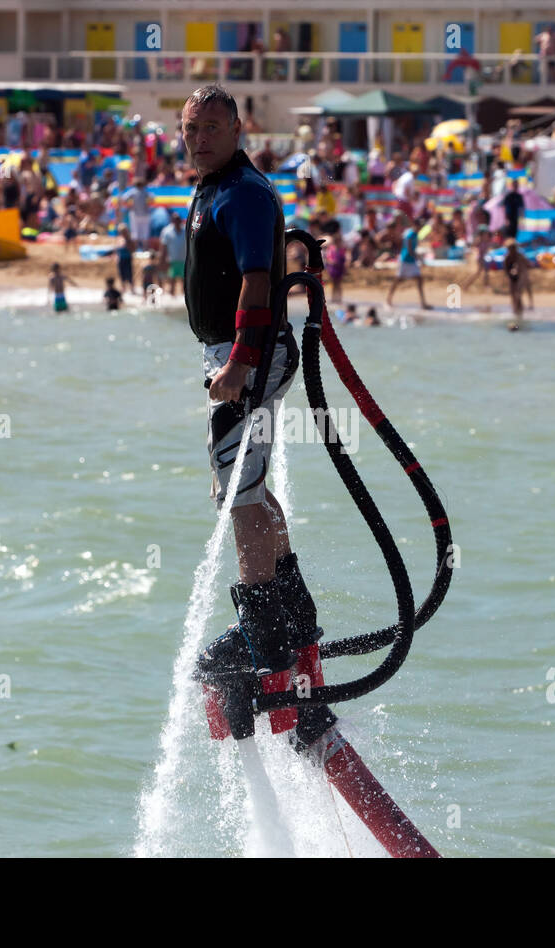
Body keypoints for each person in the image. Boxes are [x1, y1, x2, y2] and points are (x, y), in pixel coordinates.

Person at [180, 84, 318, 678]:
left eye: (213, 127)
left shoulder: (242, 193)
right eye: (191, 129)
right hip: (238, 358)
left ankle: (262, 641)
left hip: (250, 359)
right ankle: (293, 615)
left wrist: (238, 363)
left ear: (239, 131)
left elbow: (257, 283)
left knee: (239, 497)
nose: (200, 139)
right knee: (246, 489)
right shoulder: (213, 189)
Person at [385, 216, 429, 309]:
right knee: (398, 280)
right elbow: (409, 250)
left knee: (419, 280)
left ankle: (423, 303)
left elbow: (413, 249)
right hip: (405, 260)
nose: (420, 227)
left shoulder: (415, 234)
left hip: (411, 261)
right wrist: (420, 259)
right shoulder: (409, 235)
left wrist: (418, 258)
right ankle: (388, 299)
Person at [159, 211, 186, 297]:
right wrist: (162, 260)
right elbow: (163, 246)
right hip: (172, 260)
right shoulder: (167, 231)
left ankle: (183, 298)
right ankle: (172, 297)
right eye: (175, 219)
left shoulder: (185, 230)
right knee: (172, 281)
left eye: (178, 219)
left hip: (184, 260)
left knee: (184, 281)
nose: (177, 221)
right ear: (172, 220)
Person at [502, 238, 526, 320]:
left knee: (519, 294)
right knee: (513, 294)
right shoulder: (507, 258)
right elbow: (506, 270)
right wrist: (510, 275)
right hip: (511, 276)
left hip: (520, 276)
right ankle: (515, 310)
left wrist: (516, 272)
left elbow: (521, 268)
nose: (511, 251)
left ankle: (520, 310)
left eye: (513, 249)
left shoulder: (518, 256)